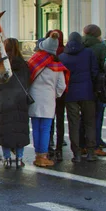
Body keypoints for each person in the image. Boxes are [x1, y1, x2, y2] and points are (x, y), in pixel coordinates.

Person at [28, 33, 69, 167]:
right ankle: (43, 156)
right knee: (45, 128)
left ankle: (37, 155)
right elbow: (61, 86)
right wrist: (54, 95)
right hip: (49, 99)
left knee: (35, 128)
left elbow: (28, 79)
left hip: (34, 98)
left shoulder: (34, 61)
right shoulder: (57, 65)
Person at [59, 32, 100, 162]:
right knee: (89, 122)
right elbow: (95, 72)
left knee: (73, 124)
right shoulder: (88, 53)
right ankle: (91, 152)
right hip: (87, 92)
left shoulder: (62, 57)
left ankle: (76, 153)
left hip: (70, 94)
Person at [0, 38, 31, 169]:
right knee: (19, 129)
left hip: (4, 100)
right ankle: (19, 158)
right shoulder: (24, 65)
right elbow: (28, 81)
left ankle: (7, 158)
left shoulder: (2, 64)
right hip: (20, 100)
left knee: (5, 130)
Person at [82, 24, 106, 151]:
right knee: (98, 115)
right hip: (98, 86)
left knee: (84, 116)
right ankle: (96, 142)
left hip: (82, 85)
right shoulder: (100, 47)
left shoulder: (80, 45)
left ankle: (83, 143)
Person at [47, 29, 66, 155]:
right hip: (61, 93)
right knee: (60, 119)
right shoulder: (64, 52)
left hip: (49, 92)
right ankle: (59, 145)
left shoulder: (47, 56)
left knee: (49, 119)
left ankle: (49, 141)